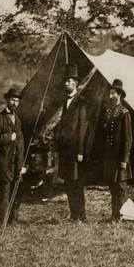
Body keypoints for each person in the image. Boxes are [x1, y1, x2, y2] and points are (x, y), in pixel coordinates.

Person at [54, 65, 88, 222]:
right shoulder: (64, 102)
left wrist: (80, 151)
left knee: (77, 183)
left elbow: (82, 128)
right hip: (65, 151)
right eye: (65, 81)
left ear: (75, 83)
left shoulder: (81, 102)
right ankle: (74, 214)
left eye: (69, 81)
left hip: (76, 151)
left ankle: (81, 215)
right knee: (68, 182)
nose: (66, 84)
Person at [0, 88, 26, 226]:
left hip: (17, 163)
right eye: (12, 100)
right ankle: (1, 223)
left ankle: (13, 220)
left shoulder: (18, 119)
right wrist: (9, 137)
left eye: (17, 101)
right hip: (5, 163)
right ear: (7, 100)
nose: (15, 103)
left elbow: (21, 143)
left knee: (16, 193)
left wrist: (22, 163)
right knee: (5, 194)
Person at [98, 79, 133, 222]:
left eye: (113, 93)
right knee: (113, 187)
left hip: (120, 158)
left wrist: (124, 160)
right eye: (110, 93)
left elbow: (128, 139)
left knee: (121, 188)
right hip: (110, 157)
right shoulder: (108, 112)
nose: (110, 96)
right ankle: (115, 215)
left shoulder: (124, 113)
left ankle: (122, 215)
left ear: (119, 95)